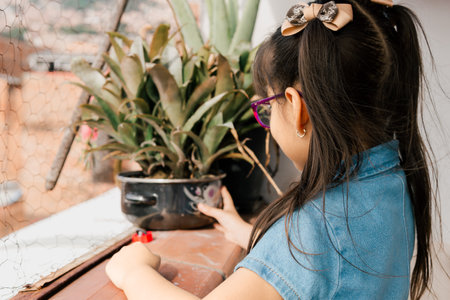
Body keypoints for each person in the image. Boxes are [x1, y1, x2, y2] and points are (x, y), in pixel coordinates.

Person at [105, 0, 437, 299]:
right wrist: (252, 235)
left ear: (296, 108)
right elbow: (333, 266)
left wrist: (134, 272)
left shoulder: (310, 232)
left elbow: (314, 252)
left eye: (266, 106)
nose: (266, 119)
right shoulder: (391, 181)